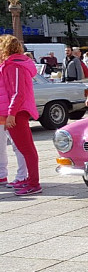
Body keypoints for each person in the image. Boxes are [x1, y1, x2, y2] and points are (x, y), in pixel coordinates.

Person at [0, 35, 40, 195]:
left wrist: (11, 114)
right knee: (25, 148)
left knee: (26, 149)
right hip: (18, 111)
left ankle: (33, 183)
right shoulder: (15, 64)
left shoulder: (14, 65)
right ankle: (30, 180)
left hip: (17, 112)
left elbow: (18, 92)